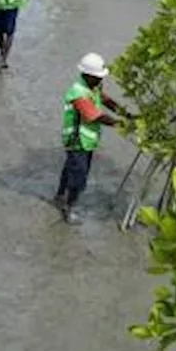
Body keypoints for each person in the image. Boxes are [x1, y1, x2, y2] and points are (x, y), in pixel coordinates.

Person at [55, 53, 131, 225]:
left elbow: (106, 101)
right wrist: (120, 124)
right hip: (77, 139)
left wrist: (125, 113)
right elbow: (93, 116)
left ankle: (60, 195)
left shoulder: (92, 86)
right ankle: (69, 207)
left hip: (85, 139)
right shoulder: (78, 93)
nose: (100, 81)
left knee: (70, 167)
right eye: (97, 77)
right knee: (79, 173)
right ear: (87, 75)